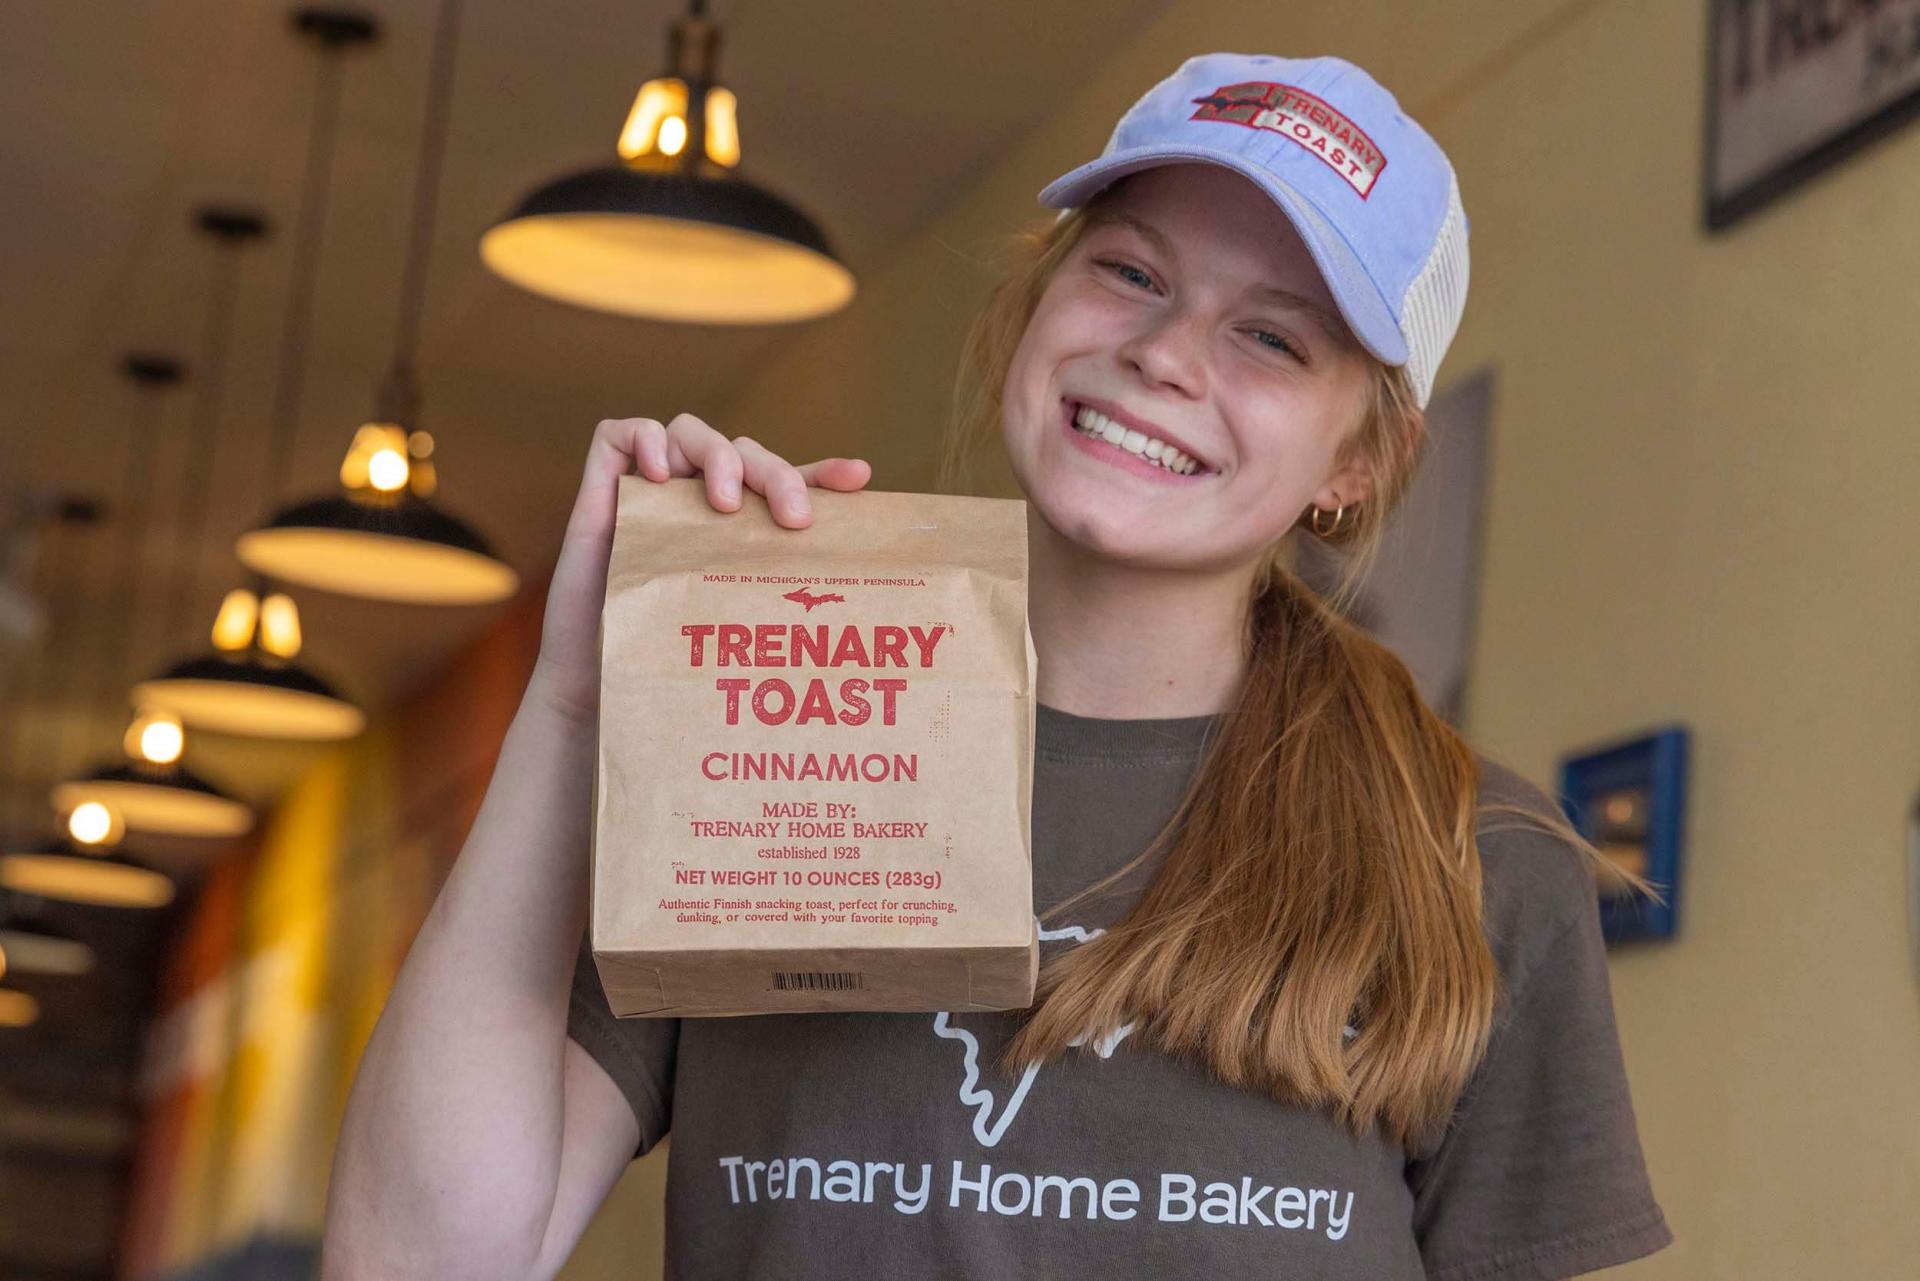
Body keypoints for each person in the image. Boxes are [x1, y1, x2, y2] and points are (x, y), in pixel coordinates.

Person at [322, 52, 1671, 1280]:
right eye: (1131, 271)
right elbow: (417, 1260)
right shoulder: (769, 736)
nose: (1161, 355)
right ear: (1036, 299)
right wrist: (574, 707)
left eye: (1271, 337)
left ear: (1357, 462)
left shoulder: (1473, 860)